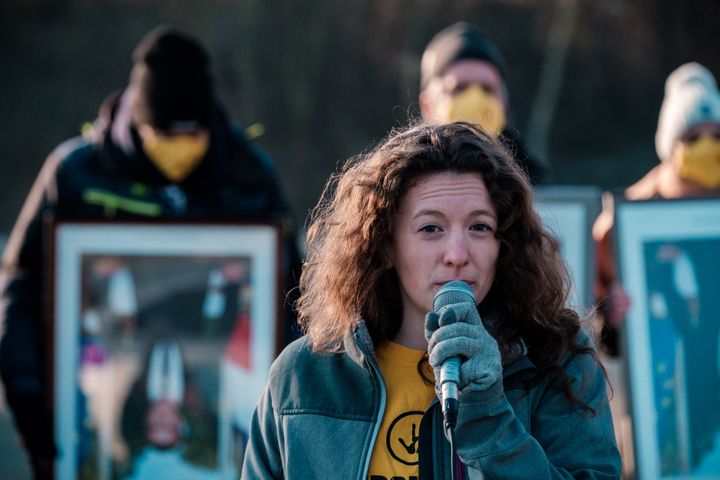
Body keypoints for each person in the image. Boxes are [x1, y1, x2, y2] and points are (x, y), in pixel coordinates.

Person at [0, 25, 301, 479]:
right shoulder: (77, 173)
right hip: (106, 370)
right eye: (164, 136)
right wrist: (28, 396)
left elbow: (296, 297)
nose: (178, 150)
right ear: (138, 123)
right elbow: (21, 286)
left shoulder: (249, 175)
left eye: (191, 136)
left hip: (213, 358)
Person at [241, 122, 620, 479]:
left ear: (503, 246)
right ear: (385, 246)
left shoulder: (557, 360)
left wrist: (491, 421)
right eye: (430, 228)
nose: (457, 252)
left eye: (479, 227)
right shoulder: (303, 376)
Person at [592, 62, 720, 474]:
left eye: (717, 136)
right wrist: (610, 318)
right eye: (693, 137)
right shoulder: (626, 222)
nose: (708, 145)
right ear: (670, 143)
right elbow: (600, 325)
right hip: (657, 400)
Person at [419, 21, 547, 184]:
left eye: (487, 89)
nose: (476, 99)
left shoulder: (535, 186)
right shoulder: (396, 182)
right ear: (427, 105)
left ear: (504, 102)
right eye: (460, 88)